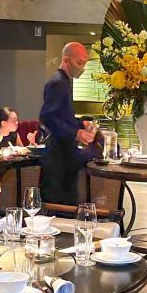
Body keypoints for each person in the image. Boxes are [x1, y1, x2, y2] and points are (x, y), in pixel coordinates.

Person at [39, 42, 100, 205]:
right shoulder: (58, 83)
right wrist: (76, 133)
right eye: (79, 63)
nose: (82, 68)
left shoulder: (63, 82)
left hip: (63, 158)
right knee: (59, 211)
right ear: (66, 60)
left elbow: (62, 116)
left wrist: (81, 124)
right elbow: (47, 116)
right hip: (59, 160)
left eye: (85, 63)